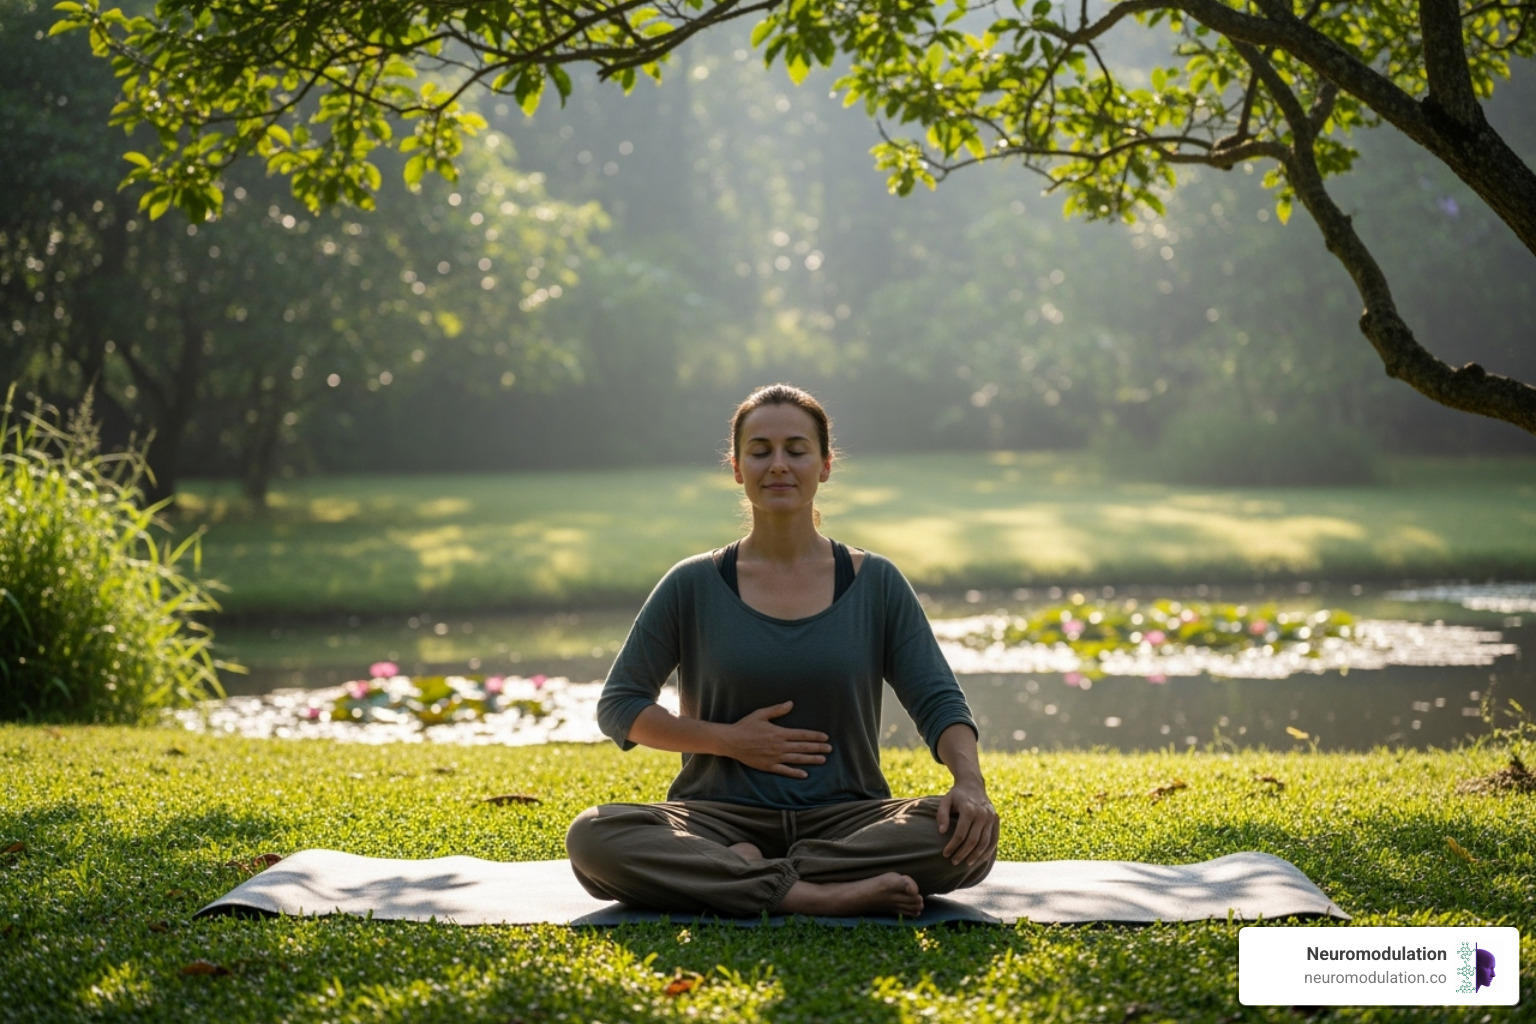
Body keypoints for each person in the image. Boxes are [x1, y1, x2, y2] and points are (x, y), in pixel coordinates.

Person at [565, 383, 998, 917]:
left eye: (796, 450)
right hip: (715, 817)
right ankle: (814, 894)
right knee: (594, 836)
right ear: (737, 466)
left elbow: (938, 701)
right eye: (760, 450)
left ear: (824, 465)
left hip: (847, 821)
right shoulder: (692, 584)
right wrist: (730, 742)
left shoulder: (877, 582)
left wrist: (970, 785)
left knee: (964, 836)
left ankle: (742, 872)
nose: (778, 465)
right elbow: (620, 707)